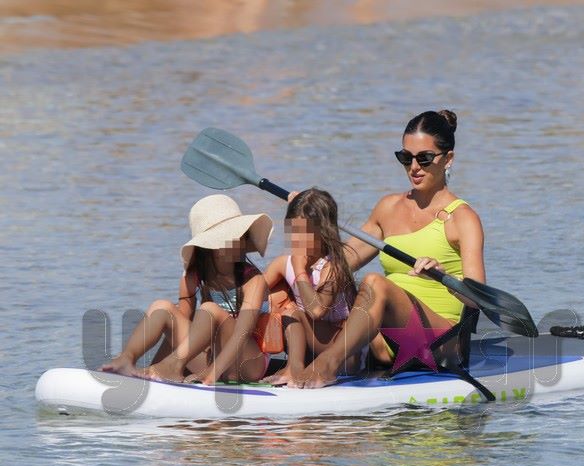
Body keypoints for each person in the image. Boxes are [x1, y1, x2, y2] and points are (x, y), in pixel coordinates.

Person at [292, 110, 486, 388]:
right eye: (406, 158)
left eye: (424, 158)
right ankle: (269, 361)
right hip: (385, 342)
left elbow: (478, 297)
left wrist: (443, 275)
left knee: (374, 283)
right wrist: (308, 214)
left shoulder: (463, 218)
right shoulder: (388, 208)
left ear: (448, 159)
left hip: (442, 345)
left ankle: (325, 366)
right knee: (303, 278)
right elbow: (338, 262)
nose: (414, 167)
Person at [102, 194, 274, 384]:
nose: (239, 241)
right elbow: (177, 333)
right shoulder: (192, 278)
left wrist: (213, 371)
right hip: (212, 357)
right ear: (209, 246)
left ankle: (172, 366)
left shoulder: (253, 280)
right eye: (229, 236)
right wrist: (155, 369)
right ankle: (127, 359)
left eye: (240, 234)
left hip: (249, 364)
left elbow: (243, 332)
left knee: (209, 309)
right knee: (162, 307)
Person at [262, 188, 359, 387]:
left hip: (344, 354)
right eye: (293, 231)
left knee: (293, 313)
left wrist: (300, 271)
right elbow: (250, 295)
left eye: (304, 233)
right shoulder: (283, 263)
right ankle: (287, 364)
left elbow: (316, 311)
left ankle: (293, 369)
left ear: (323, 232)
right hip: (310, 348)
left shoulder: (333, 267)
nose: (297, 240)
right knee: (274, 298)